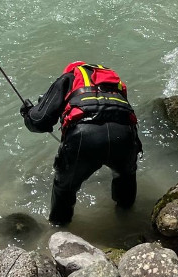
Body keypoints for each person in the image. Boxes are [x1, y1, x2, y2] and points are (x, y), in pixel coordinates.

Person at [21, 62, 141, 226]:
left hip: (84, 136)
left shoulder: (69, 78)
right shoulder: (116, 84)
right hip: (124, 135)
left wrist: (27, 113)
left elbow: (39, 122)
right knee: (125, 176)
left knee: (64, 188)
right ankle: (128, 221)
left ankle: (59, 229)